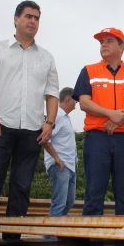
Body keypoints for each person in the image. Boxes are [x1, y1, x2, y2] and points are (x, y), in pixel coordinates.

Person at [0, 0, 59, 241]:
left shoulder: (46, 58)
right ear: (16, 19)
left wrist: (49, 123)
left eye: (37, 18)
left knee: (21, 187)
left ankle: (12, 240)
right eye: (28, 16)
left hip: (32, 130)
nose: (33, 21)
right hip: (0, 128)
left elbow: (52, 93)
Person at [73, 28, 124, 216]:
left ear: (121, 46)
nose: (103, 45)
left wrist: (121, 117)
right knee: (93, 194)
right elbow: (84, 102)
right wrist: (110, 114)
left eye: (108, 41)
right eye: (101, 42)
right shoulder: (89, 71)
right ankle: (90, 243)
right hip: (97, 140)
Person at [42, 87, 77, 216]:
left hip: (69, 165)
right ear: (68, 99)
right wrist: (56, 158)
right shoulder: (57, 116)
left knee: (69, 201)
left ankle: (52, 232)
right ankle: (51, 234)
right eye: (75, 101)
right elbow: (45, 139)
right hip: (60, 165)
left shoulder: (65, 118)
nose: (76, 104)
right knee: (60, 202)